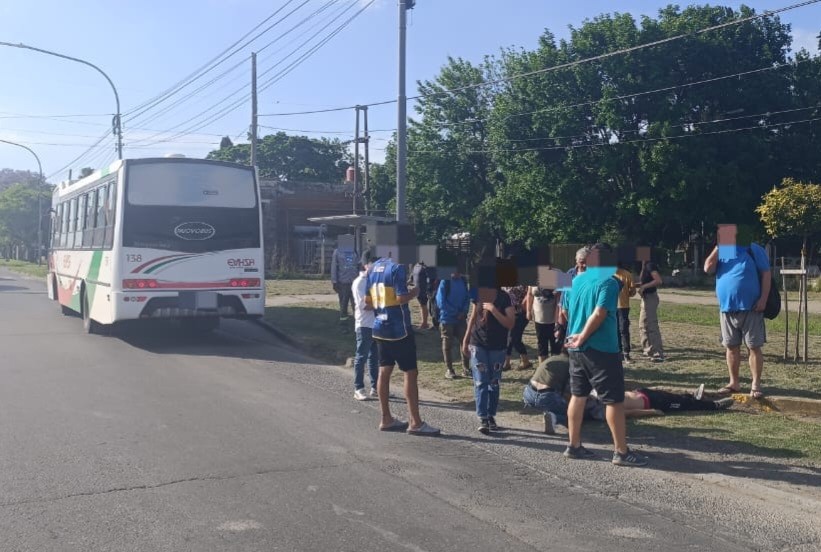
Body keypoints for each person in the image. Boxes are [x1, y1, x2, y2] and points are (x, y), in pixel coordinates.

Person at [562, 243, 647, 467]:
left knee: (578, 395)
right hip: (601, 349)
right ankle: (621, 451)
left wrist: (576, 337)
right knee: (614, 401)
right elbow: (599, 313)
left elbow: (567, 311)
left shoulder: (576, 280)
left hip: (576, 350)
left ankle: (574, 445)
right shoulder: (608, 283)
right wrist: (583, 335)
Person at [365, 249, 440, 436]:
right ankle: (415, 422)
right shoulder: (397, 268)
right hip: (399, 329)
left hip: (379, 326)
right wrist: (414, 292)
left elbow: (367, 302)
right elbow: (400, 297)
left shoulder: (373, 268)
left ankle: (386, 418)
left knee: (384, 371)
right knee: (410, 373)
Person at [703, 232, 772, 399]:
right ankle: (734, 383)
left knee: (754, 346)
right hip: (727, 307)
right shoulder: (724, 250)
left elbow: (766, 274)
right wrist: (718, 247)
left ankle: (755, 384)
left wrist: (763, 299)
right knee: (731, 346)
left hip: (751, 307)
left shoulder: (753, 249)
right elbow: (707, 268)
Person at [462, 284, 516, 434]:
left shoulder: (505, 298)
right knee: (480, 381)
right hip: (478, 344)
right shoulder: (478, 294)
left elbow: (510, 323)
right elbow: (472, 317)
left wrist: (493, 310)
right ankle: (482, 417)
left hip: (498, 347)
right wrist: (465, 340)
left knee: (494, 382)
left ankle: (491, 415)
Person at [522, 352, 571, 435]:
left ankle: (547, 412)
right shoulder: (571, 364)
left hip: (528, 393)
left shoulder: (551, 358)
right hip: (546, 396)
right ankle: (555, 418)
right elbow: (570, 393)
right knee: (575, 414)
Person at [351, 257, 378, 401]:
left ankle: (375, 388)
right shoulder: (360, 282)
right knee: (361, 356)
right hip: (364, 324)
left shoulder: (375, 280)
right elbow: (365, 305)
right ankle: (358, 388)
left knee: (374, 357)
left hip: (376, 324)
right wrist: (385, 302)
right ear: (365, 265)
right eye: (373, 263)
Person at [436, 269, 471, 379]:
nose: (457, 273)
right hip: (447, 319)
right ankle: (449, 369)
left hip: (461, 318)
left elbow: (467, 298)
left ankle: (466, 368)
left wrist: (463, 311)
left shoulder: (463, 281)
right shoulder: (445, 282)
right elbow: (441, 302)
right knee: (447, 344)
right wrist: (455, 312)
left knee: (464, 342)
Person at [622, 386, 734, 416]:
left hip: (641, 393)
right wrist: (652, 411)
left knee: (673, 396)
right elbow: (627, 413)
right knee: (682, 404)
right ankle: (715, 405)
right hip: (651, 403)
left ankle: (692, 396)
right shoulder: (607, 410)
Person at [525, 285, 561, 363]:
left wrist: (558, 319)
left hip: (554, 319)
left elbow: (561, 299)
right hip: (539, 319)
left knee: (555, 345)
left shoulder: (559, 274)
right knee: (541, 344)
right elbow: (530, 294)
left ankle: (556, 370)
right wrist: (528, 311)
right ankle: (543, 369)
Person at [637, 258, 664, 362]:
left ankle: (658, 353)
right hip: (645, 298)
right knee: (643, 325)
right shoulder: (643, 267)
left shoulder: (650, 265)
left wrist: (644, 286)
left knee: (651, 325)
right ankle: (648, 350)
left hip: (650, 298)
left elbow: (658, 280)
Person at [503, 284, 531, 371]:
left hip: (521, 313)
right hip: (508, 313)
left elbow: (531, 292)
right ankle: (507, 363)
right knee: (509, 338)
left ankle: (525, 361)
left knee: (514, 338)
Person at [612, 261, 637, 363]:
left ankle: (626, 352)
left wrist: (627, 294)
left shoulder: (626, 274)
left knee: (623, 330)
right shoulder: (608, 274)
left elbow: (633, 291)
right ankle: (618, 352)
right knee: (614, 330)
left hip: (623, 307)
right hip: (611, 307)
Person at [331, 246, 358, 321]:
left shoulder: (354, 251)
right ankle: (344, 325)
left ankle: (357, 324)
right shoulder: (337, 252)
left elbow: (358, 265)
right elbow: (334, 267)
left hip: (354, 283)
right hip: (343, 283)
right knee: (343, 305)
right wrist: (334, 281)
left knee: (356, 304)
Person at [410, 261, 431, 329]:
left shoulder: (427, 267)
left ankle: (424, 323)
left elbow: (431, 278)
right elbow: (411, 278)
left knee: (423, 305)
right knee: (421, 305)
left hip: (424, 290)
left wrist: (430, 289)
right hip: (417, 290)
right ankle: (424, 323)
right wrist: (404, 285)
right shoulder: (416, 266)